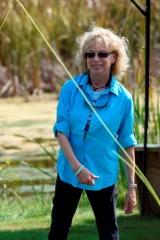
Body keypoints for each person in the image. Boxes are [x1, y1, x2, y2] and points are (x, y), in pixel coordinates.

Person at [48, 26, 137, 240]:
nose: (95, 59)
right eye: (90, 54)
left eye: (102, 54)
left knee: (109, 234)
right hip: (70, 172)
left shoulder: (124, 98)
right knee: (58, 231)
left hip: (103, 175)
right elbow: (61, 131)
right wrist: (77, 168)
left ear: (114, 57)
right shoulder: (70, 88)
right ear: (84, 58)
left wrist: (132, 187)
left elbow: (127, 142)